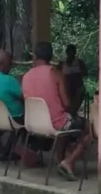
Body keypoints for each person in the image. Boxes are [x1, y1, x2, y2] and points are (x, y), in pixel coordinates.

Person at [22, 42, 92, 181]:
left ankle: (61, 160)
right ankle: (69, 161)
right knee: (89, 127)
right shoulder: (55, 74)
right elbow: (66, 104)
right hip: (55, 123)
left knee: (64, 121)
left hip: (33, 123)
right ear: (51, 56)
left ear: (35, 57)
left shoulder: (26, 76)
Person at [61, 44, 88, 115]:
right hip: (66, 87)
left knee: (80, 92)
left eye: (72, 51)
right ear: (66, 52)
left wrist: (77, 74)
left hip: (77, 86)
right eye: (69, 51)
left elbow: (86, 73)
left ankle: (72, 112)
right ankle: (68, 112)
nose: (70, 53)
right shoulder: (62, 64)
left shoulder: (80, 63)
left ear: (75, 52)